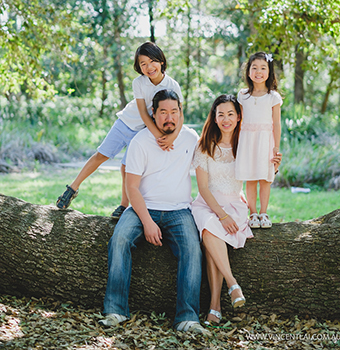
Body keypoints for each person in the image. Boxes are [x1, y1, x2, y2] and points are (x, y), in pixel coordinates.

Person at [98, 89, 210, 336]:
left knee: (192, 247)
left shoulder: (191, 138)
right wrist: (147, 222)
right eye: (163, 112)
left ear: (181, 113)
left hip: (179, 210)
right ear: (153, 113)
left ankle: (187, 317)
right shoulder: (140, 141)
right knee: (119, 239)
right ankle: (115, 310)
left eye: (174, 112)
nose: (169, 118)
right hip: (142, 208)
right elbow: (132, 187)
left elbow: (220, 149)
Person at [56, 42, 184, 219]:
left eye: (152, 61)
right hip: (125, 123)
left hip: (142, 131)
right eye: (143, 64)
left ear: (161, 61)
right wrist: (158, 135)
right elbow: (142, 112)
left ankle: (124, 206)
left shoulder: (172, 86)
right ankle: (73, 188)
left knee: (127, 167)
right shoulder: (139, 82)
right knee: (101, 155)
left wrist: (172, 137)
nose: (148, 67)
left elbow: (180, 113)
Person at [191, 95, 282, 324]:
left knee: (210, 237)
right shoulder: (204, 145)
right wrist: (221, 215)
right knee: (209, 225)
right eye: (220, 114)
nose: (226, 119)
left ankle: (215, 306)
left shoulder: (245, 144)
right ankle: (232, 284)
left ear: (239, 116)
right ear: (214, 117)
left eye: (230, 114)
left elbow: (261, 172)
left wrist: (274, 164)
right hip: (207, 204)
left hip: (235, 204)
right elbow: (202, 188)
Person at [235, 51, 283, 229]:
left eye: (263, 68)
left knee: (265, 179)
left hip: (266, 141)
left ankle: (264, 212)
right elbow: (238, 122)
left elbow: (276, 124)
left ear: (269, 72)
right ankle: (252, 213)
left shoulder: (273, 97)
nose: (258, 71)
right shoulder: (243, 95)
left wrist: (276, 148)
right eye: (254, 67)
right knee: (251, 178)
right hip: (247, 141)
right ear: (248, 71)